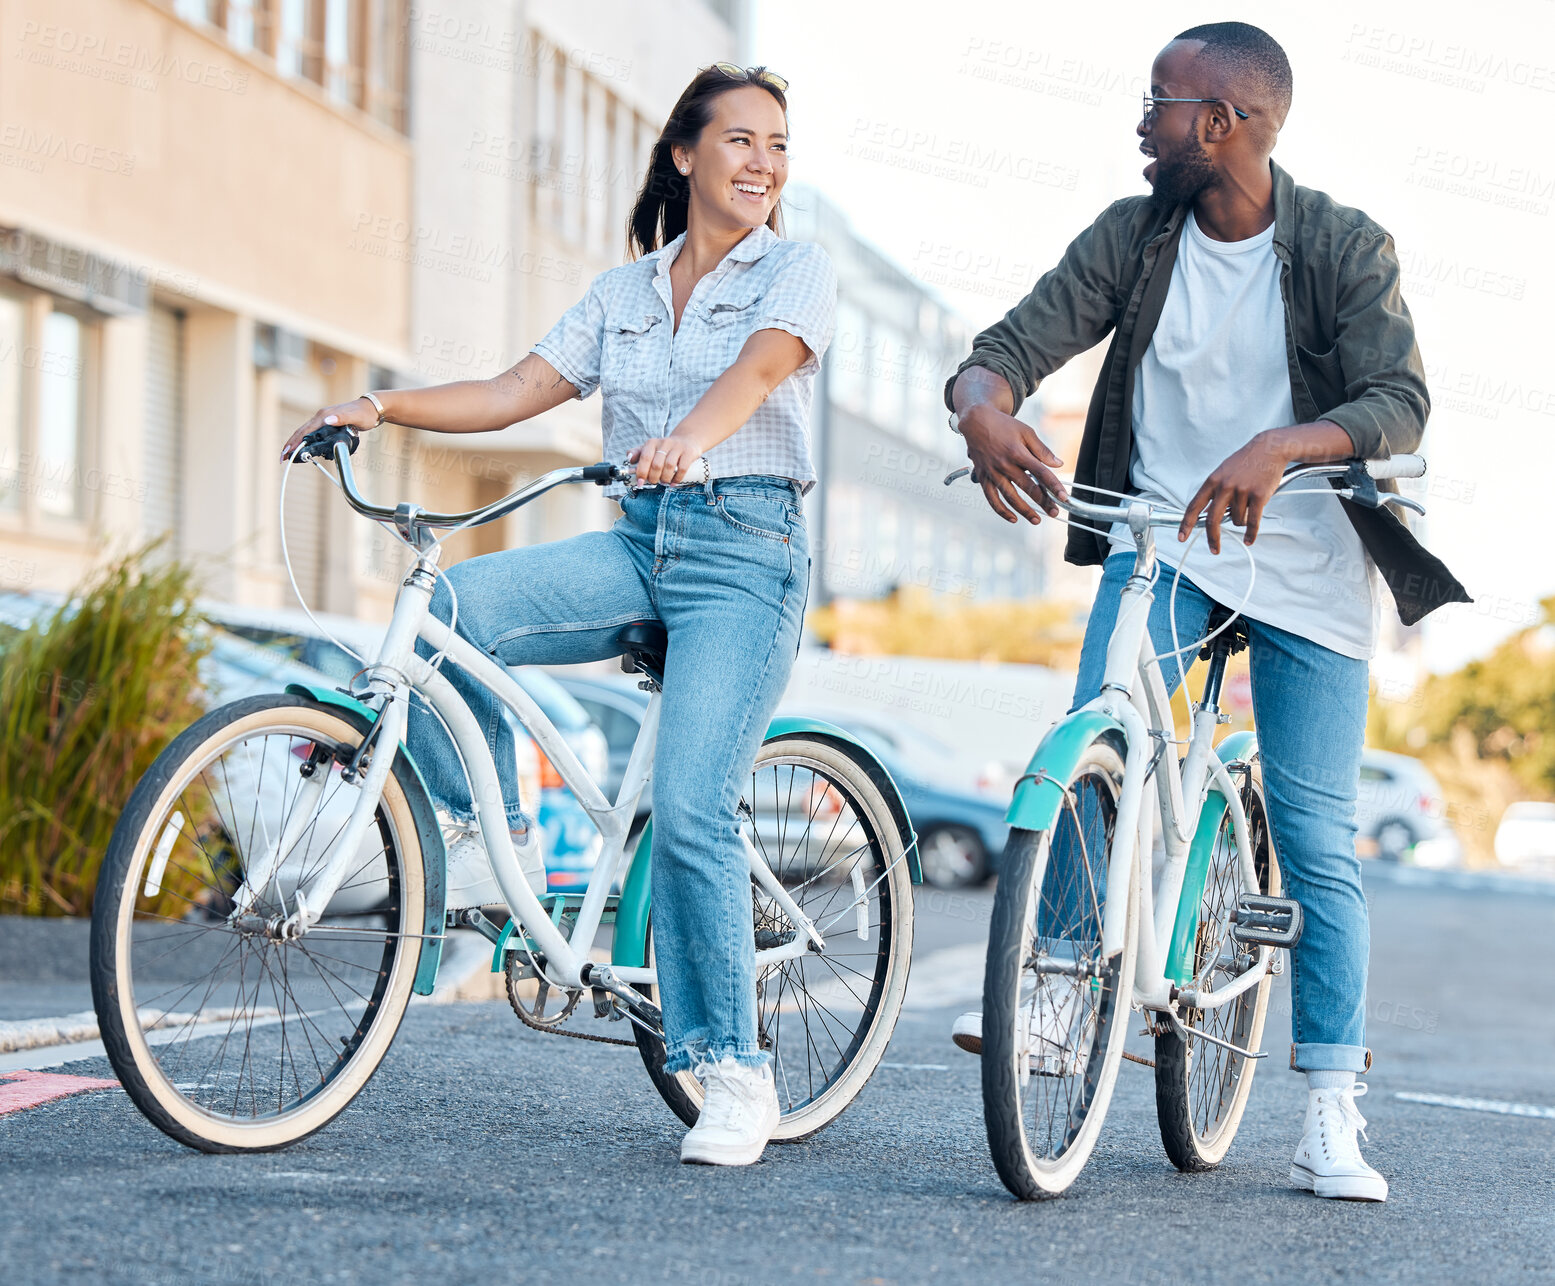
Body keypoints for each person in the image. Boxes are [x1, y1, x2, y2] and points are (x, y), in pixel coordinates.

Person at [943, 22, 1466, 1202]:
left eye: (1160, 103)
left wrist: (1283, 446)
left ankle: (1330, 1104)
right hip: (1165, 545)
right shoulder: (1131, 238)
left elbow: (1399, 400)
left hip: (1307, 567)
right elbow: (1006, 348)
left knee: (1318, 833)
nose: (1143, 122)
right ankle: (1055, 997)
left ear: (1222, 123)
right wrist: (981, 407)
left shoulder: (1339, 243)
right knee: (1097, 740)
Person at [281, 64, 835, 1168]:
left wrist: (697, 436)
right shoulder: (622, 293)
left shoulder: (798, 269)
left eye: (778, 143)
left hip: (747, 552)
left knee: (690, 807)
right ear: (684, 155)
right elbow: (510, 392)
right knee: (442, 608)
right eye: (739, 140)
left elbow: (767, 366)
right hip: (637, 542)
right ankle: (491, 843)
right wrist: (377, 404)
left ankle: (733, 1068)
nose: (763, 162)